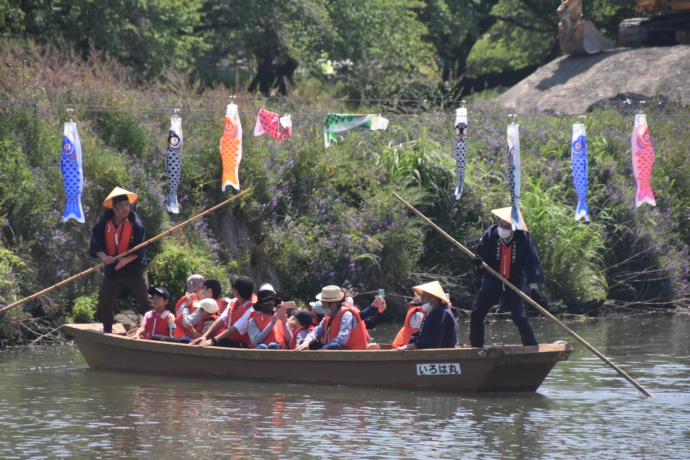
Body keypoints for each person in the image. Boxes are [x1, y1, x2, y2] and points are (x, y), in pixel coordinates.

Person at [470, 207, 544, 348]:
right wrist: (479, 263)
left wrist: (534, 288)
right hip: (492, 280)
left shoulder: (523, 237)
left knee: (519, 317)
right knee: (476, 314)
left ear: (514, 228)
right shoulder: (491, 232)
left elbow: (531, 262)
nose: (502, 228)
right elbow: (481, 256)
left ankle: (531, 346)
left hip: (514, 282)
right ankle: (476, 347)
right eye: (501, 224)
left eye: (507, 226)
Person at [89, 187, 150, 334]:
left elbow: (139, 247)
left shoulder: (135, 222)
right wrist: (105, 258)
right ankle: (108, 330)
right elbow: (95, 242)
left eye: (127, 205)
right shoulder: (104, 221)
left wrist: (127, 259)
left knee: (145, 299)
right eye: (121, 205)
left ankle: (151, 330)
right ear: (114, 208)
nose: (125, 209)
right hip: (114, 266)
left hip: (134, 265)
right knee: (105, 301)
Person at [294, 285, 369, 351]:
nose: (322, 307)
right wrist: (306, 342)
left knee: (334, 345)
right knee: (303, 342)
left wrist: (323, 350)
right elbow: (316, 332)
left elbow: (342, 339)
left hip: (351, 351)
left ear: (333, 305)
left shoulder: (347, 314)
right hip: (334, 349)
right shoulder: (328, 315)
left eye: (323, 304)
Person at [192, 275, 256, 348]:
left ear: (237, 292)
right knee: (202, 342)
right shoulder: (234, 302)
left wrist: (213, 340)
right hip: (229, 341)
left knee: (213, 344)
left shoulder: (252, 308)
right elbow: (221, 319)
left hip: (244, 345)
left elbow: (235, 327)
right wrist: (204, 336)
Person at [394, 281, 458, 350]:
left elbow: (432, 341)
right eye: (421, 295)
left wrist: (408, 347)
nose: (421, 298)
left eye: (424, 295)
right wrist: (406, 346)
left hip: (443, 357)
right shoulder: (433, 312)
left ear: (435, 299)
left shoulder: (442, 313)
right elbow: (421, 334)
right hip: (433, 356)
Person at [173, 274, 205, 339]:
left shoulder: (184, 300)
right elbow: (186, 321)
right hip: (188, 336)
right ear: (201, 286)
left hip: (184, 335)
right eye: (203, 287)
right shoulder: (188, 301)